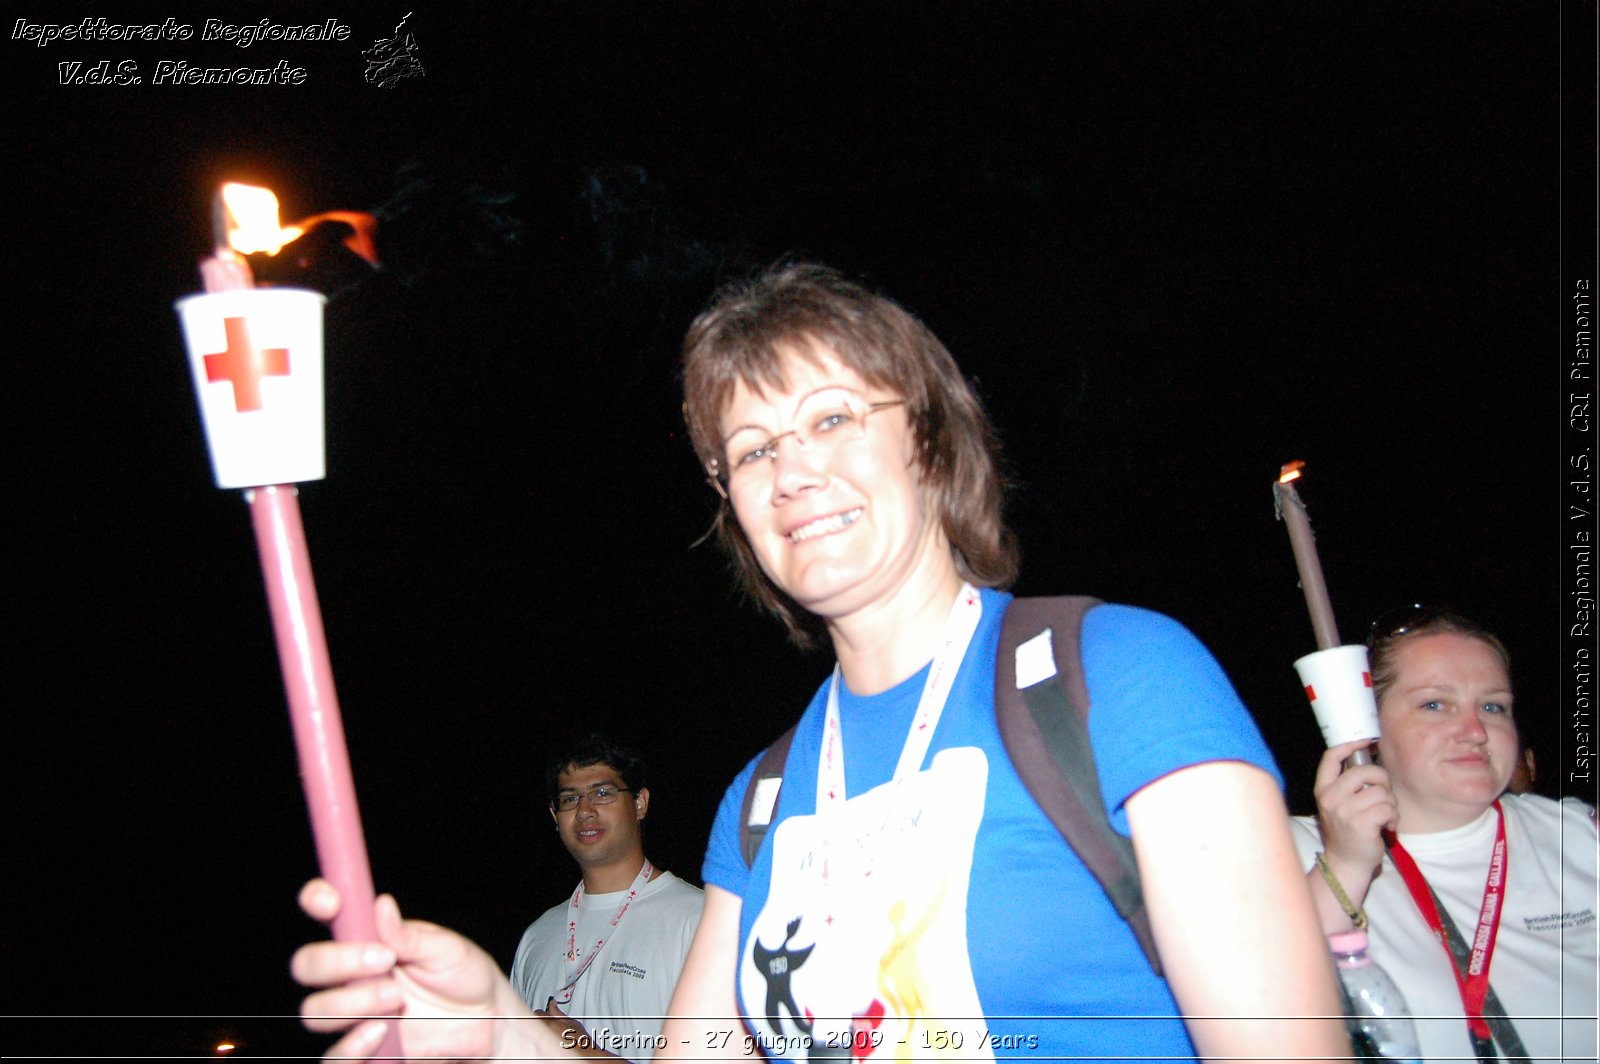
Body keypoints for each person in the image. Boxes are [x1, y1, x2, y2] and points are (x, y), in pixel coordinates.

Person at [292, 262, 1349, 1062]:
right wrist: (503, 1033)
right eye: (749, 450)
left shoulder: (1117, 674)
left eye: (832, 417)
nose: (791, 469)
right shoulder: (759, 802)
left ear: (927, 444)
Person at [1292, 605, 1599, 1063]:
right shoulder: (1288, 849)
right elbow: (1248, 1000)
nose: (1475, 730)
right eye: (1435, 704)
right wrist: (1347, 864)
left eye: (1493, 706)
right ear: (1367, 727)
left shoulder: (1579, 835)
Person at [509, 734, 703, 1062]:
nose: (585, 811)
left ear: (639, 803)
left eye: (602, 793)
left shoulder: (699, 919)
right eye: (569, 799)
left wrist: (587, 1053)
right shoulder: (537, 936)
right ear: (556, 817)